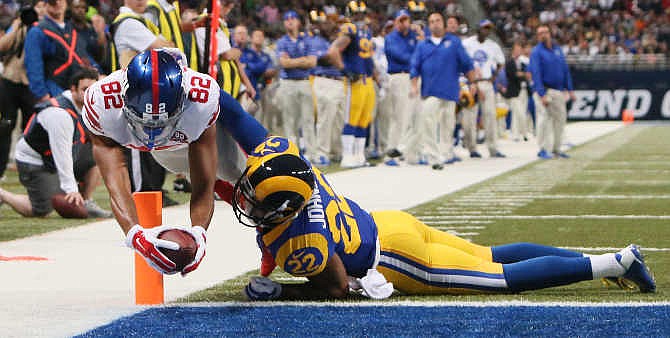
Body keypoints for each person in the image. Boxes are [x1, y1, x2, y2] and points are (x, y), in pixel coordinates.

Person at [235, 136, 656, 301]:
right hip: (391, 225)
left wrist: (283, 292)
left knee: (500, 279)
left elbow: (338, 287)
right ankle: (597, 260)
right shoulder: (293, 164)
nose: (249, 201)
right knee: (492, 255)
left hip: (395, 258)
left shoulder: (299, 243)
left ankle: (614, 262)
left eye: (257, 196)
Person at [82, 48, 267, 275]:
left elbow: (203, 185)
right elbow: (115, 179)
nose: (153, 133)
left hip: (188, 134)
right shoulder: (102, 102)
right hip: (168, 150)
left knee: (245, 178)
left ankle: (274, 229)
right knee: (195, 169)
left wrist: (199, 233)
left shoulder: (201, 99)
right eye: (147, 123)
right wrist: (135, 235)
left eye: (160, 123)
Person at [0, 68, 111, 218]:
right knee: (41, 210)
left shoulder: (88, 107)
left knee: (97, 154)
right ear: (73, 90)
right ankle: (3, 195)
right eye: (85, 89)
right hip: (34, 161)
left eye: (93, 90)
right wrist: (71, 189)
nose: (90, 95)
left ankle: (86, 201)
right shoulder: (60, 114)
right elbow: (62, 155)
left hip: (54, 156)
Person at [406, 12, 476, 170]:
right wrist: (413, 85)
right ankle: (433, 156)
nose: (435, 24)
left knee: (448, 124)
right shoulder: (423, 45)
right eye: (431, 22)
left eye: (438, 20)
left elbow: (467, 63)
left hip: (450, 91)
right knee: (428, 119)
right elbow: (414, 67)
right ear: (429, 25)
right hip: (431, 92)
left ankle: (446, 153)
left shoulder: (453, 42)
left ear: (443, 23)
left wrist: (473, 83)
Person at [326, 1, 375, 168]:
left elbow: (368, 57)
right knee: (351, 119)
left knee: (364, 119)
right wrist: (345, 70)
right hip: (355, 80)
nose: (360, 17)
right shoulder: (350, 29)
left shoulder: (367, 30)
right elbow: (333, 50)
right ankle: (347, 156)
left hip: (368, 80)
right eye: (357, 14)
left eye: (361, 13)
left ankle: (359, 155)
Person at [24, 0, 102, 102]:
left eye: (61, 0)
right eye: (53, 2)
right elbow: (33, 66)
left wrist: (98, 72)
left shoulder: (72, 28)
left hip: (78, 91)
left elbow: (82, 55)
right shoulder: (37, 31)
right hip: (55, 90)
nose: (58, 3)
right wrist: (43, 95)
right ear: (45, 4)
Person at [0, 3, 44, 180]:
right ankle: (1, 168)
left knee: (30, 129)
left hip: (31, 85)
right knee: (5, 126)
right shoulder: (19, 25)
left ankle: (27, 168)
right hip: (10, 81)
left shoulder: (45, 29)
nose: (38, 12)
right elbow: (2, 46)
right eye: (37, 7)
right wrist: (18, 24)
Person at [275, 10, 317, 161]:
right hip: (288, 83)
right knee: (289, 120)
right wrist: (302, 60)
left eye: (292, 19)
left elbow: (312, 62)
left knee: (308, 119)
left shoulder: (307, 39)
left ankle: (312, 154)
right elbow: (284, 63)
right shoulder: (282, 41)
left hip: (304, 82)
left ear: (299, 22)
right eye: (287, 19)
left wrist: (293, 61)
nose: (290, 22)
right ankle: (293, 154)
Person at [383, 8, 423, 166]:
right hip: (399, 77)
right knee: (400, 117)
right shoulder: (391, 38)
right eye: (400, 20)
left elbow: (424, 52)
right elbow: (403, 57)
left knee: (417, 116)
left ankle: (412, 154)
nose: (404, 23)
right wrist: (417, 57)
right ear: (395, 22)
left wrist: (420, 36)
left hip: (414, 77)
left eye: (406, 20)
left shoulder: (415, 36)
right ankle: (391, 154)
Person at [462, 19, 506, 158]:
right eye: (484, 28)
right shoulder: (467, 43)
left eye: (489, 28)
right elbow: (462, 61)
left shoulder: (493, 46)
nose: (486, 31)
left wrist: (494, 76)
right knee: (469, 117)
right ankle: (472, 148)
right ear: (478, 28)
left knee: (490, 115)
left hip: (487, 83)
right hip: (471, 83)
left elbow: (501, 62)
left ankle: (493, 147)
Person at [529, 25, 575, 159]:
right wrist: (541, 93)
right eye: (540, 33)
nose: (543, 35)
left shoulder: (557, 49)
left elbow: (565, 70)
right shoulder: (536, 52)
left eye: (545, 32)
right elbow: (535, 73)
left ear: (550, 33)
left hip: (559, 91)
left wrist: (570, 89)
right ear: (538, 37)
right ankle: (543, 148)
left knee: (560, 120)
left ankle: (556, 148)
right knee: (543, 120)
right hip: (545, 90)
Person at [306, 11, 345, 168]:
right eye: (325, 23)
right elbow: (323, 59)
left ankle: (335, 151)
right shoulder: (316, 41)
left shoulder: (337, 40)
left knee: (338, 119)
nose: (328, 26)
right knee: (325, 118)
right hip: (323, 80)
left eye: (331, 23)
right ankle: (322, 152)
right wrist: (337, 57)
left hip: (339, 81)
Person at [503, 43, 529, 142]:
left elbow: (526, 74)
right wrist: (522, 74)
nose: (519, 51)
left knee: (517, 114)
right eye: (517, 49)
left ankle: (516, 134)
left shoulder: (522, 63)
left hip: (524, 90)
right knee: (520, 112)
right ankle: (524, 133)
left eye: (520, 50)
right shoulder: (509, 62)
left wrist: (522, 74)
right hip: (514, 92)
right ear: (513, 50)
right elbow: (513, 75)